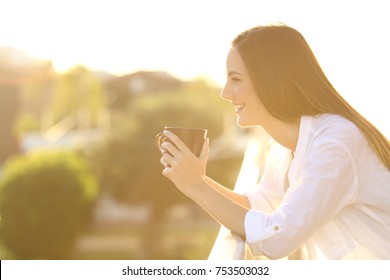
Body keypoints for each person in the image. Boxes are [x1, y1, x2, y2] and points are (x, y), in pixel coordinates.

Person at [159, 24, 390, 260]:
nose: (225, 93)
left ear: (274, 82)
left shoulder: (336, 142)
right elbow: (261, 205)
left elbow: (277, 239)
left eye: (235, 79)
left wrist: (197, 187)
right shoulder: (282, 147)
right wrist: (197, 180)